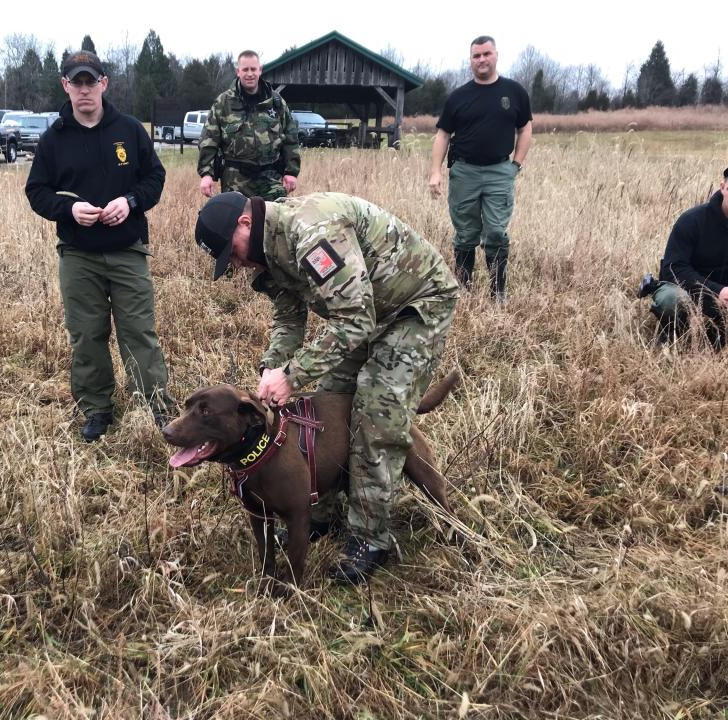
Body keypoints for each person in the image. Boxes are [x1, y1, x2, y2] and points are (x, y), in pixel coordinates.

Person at [193, 191, 458, 583]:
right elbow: (288, 320)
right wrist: (273, 366)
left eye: (230, 253)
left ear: (245, 224)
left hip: (414, 306)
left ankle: (370, 538)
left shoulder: (312, 233)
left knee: (374, 417)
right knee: (329, 402)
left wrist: (294, 375)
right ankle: (320, 513)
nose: (234, 264)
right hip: (369, 312)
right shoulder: (269, 253)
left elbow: (354, 318)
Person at [25, 51, 176, 442]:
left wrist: (131, 202)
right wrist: (69, 209)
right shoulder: (53, 139)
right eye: (77, 82)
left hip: (127, 252)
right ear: (65, 86)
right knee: (87, 334)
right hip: (78, 256)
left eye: (91, 81)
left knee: (138, 331)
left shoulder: (128, 130)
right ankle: (97, 408)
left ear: (104, 83)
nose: (84, 89)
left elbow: (155, 178)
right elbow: (36, 192)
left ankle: (157, 406)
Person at [428, 35, 533, 302]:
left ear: (496, 55)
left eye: (486, 54)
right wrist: (436, 172)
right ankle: (464, 289)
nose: (482, 60)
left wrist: (516, 165)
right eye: (476, 56)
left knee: (496, 232)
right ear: (470, 60)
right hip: (464, 173)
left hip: (500, 172)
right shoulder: (458, 97)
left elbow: (525, 128)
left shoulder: (514, 92)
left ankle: (498, 293)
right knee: (465, 233)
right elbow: (443, 135)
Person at [641, 168, 728, 349]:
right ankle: (672, 332)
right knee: (671, 299)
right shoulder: (692, 220)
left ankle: (715, 336)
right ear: (723, 187)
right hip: (690, 290)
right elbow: (674, 269)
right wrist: (717, 291)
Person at [198, 50, 300, 201]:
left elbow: (291, 138)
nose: (250, 74)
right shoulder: (223, 103)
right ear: (238, 71)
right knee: (237, 221)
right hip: (235, 180)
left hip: (270, 178)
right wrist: (207, 174)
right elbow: (209, 140)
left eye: (253, 69)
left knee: (272, 221)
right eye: (245, 69)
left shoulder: (276, 102)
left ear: (260, 70)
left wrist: (291, 172)